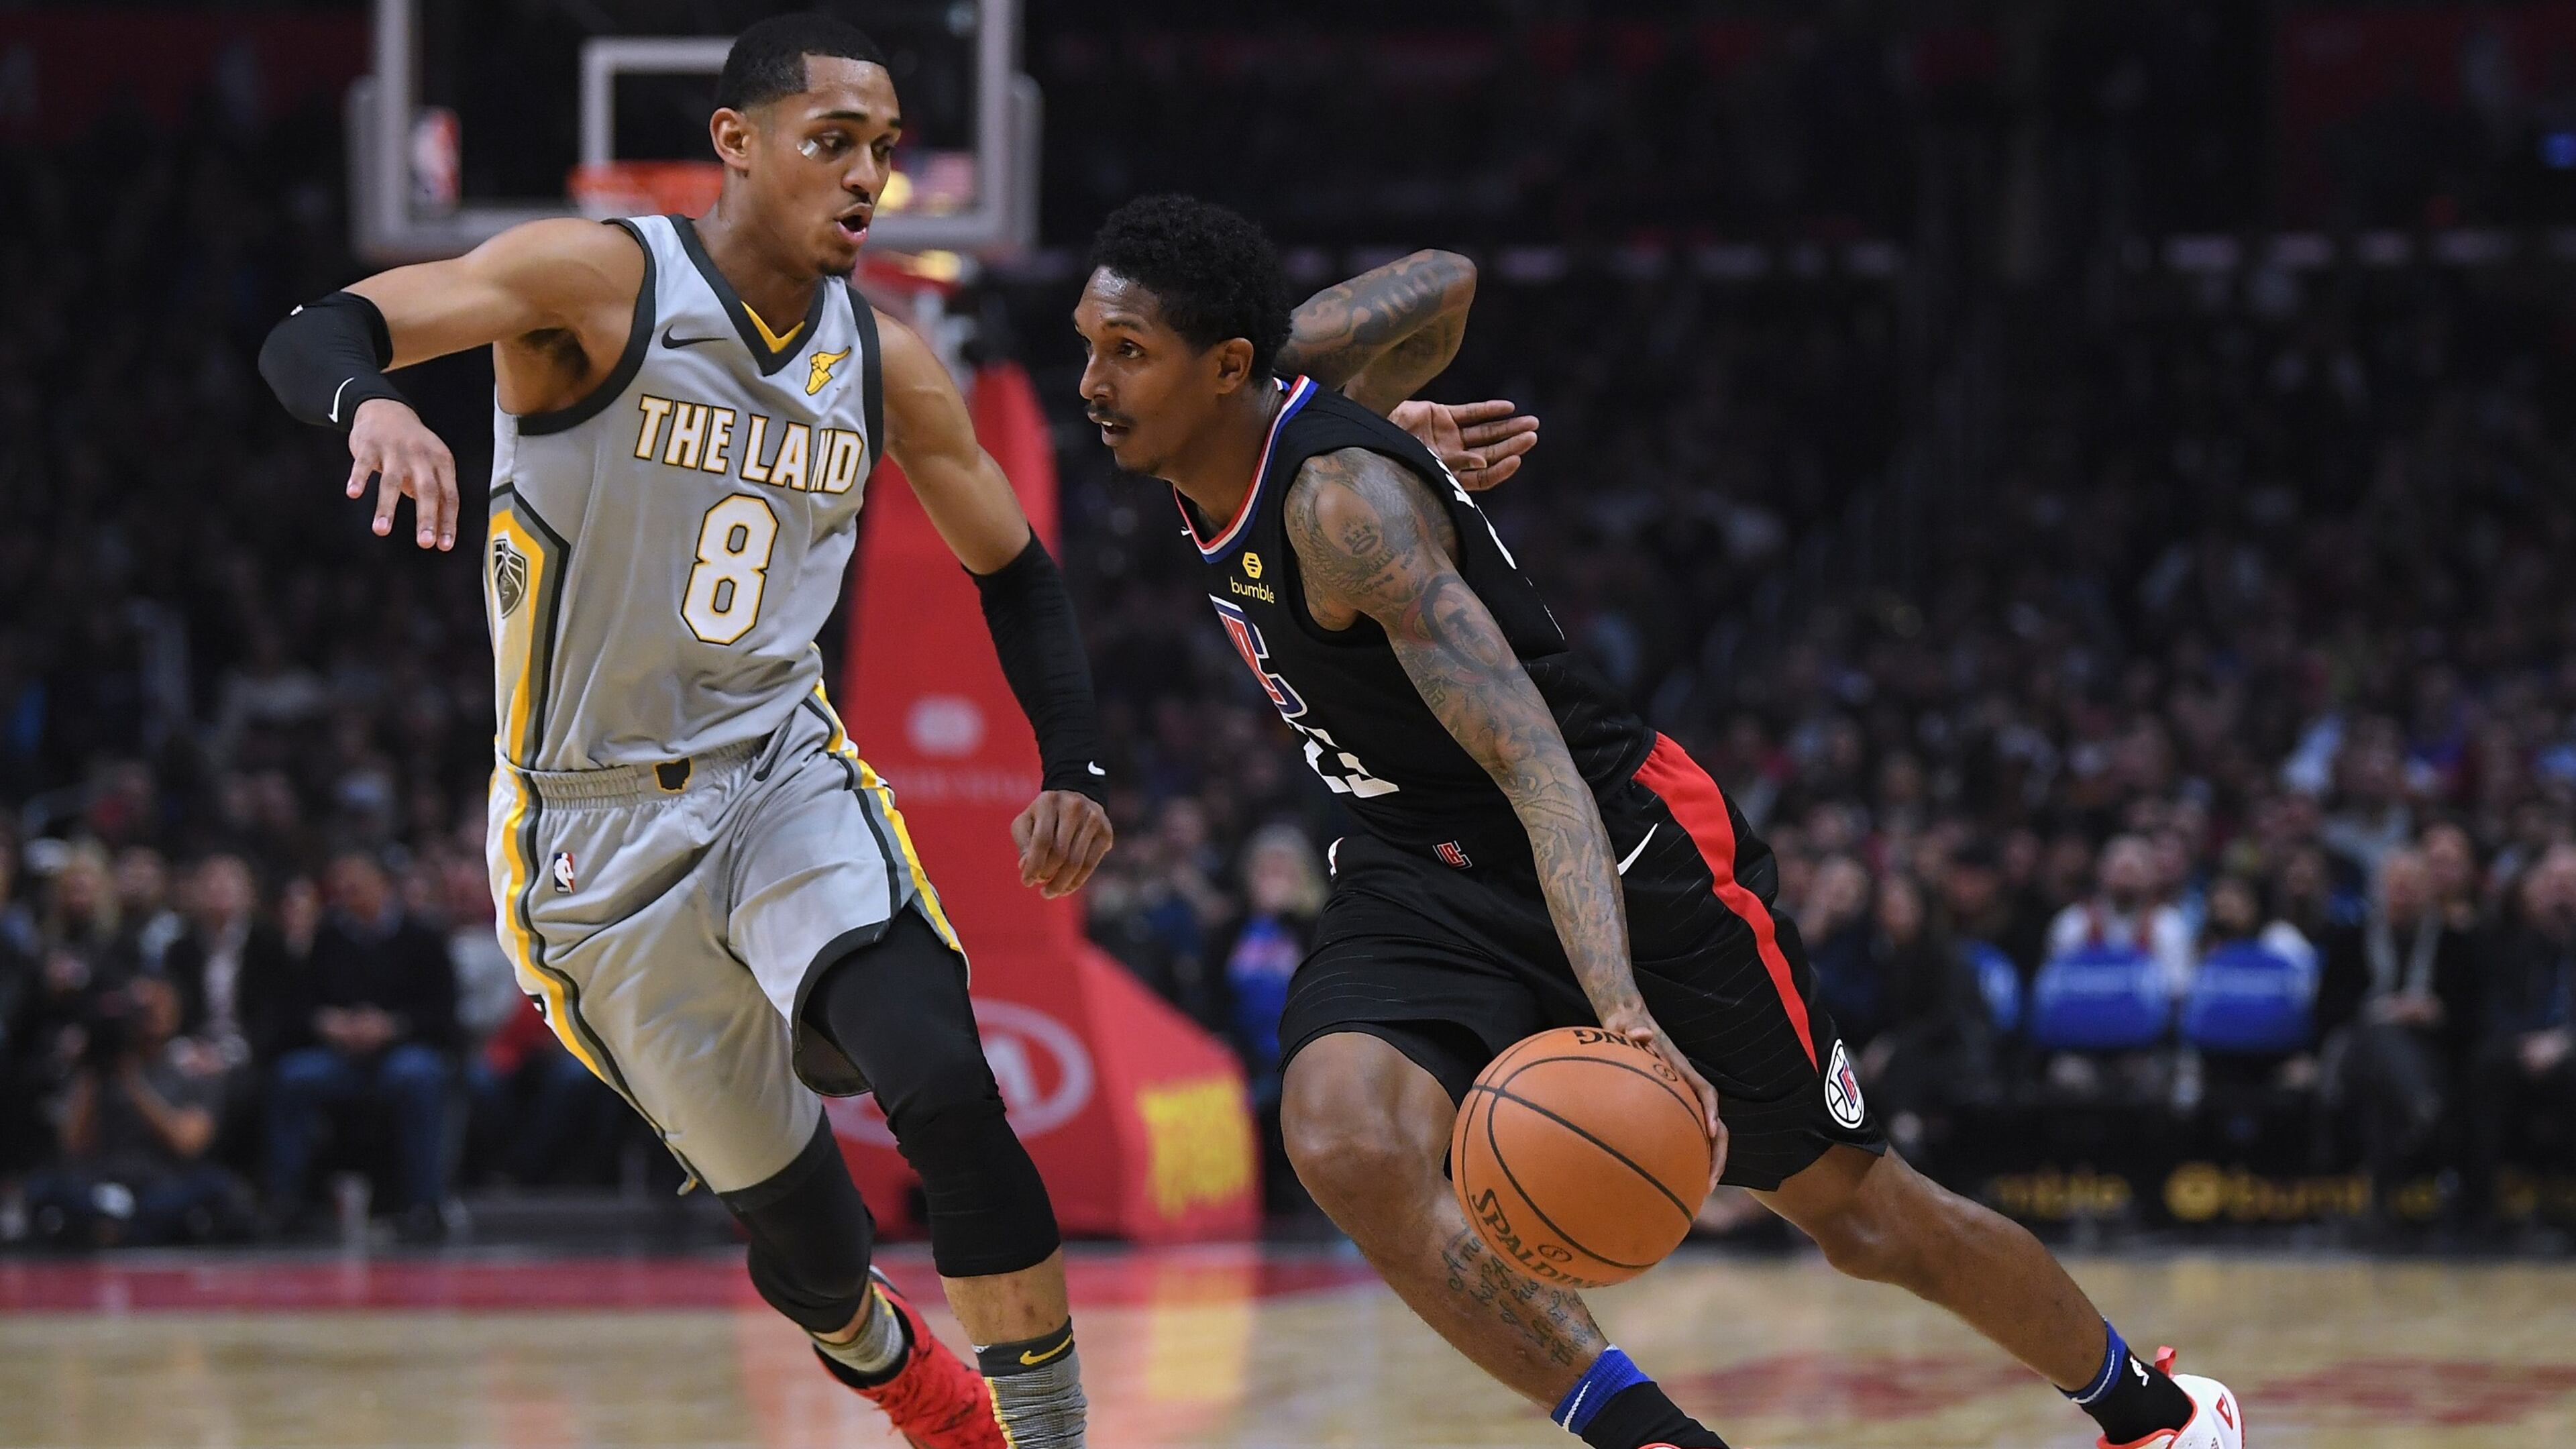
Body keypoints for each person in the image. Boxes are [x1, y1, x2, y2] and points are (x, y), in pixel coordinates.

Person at [1069, 194, 2241, 1449]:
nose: (1092, 383)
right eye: (1090, 346)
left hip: (1619, 840)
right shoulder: (1229, 435)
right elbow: (1441, 284)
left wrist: (1620, 1009)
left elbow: (1541, 773)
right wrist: (1274, 361)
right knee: (1345, 1140)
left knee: (1863, 1220)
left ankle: (2157, 1413)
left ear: (1226, 367)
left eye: (1129, 352)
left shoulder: (1342, 509)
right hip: (1419, 860)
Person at [260, 16, 1110, 1444]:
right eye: (832, 142)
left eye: (883, 151)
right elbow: (319, 328)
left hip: (779, 771)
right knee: (815, 1254)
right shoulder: (597, 282)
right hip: (588, 834)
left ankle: (1049, 1435)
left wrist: (1073, 762)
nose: (866, 178)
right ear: (736, 143)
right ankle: (895, 1360)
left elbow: (1015, 569)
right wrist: (374, 410)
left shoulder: (887, 361)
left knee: (947, 1087)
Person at [261, 850, 460, 1239]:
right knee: (292, 1077)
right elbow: (299, 1007)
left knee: (418, 1077)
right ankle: (286, 1202)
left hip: (402, 1050)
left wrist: (392, 1027)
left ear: (383, 884)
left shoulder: (424, 937)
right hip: (341, 1056)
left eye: (356, 882)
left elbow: (442, 1015)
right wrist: (329, 1024)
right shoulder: (326, 938)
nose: (347, 891)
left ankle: (424, 1205)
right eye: (341, 885)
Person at [23, 977, 248, 1247]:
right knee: (43, 1187)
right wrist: (91, 1069)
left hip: (163, 1186)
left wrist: (132, 1083)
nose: (151, 1016)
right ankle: (118, 1223)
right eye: (143, 1009)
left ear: (178, 1012)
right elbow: (73, 1145)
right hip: (102, 1184)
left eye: (159, 1005)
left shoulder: (193, 1071)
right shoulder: (98, 1070)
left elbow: (188, 1143)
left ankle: (117, 1228)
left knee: (216, 1187)